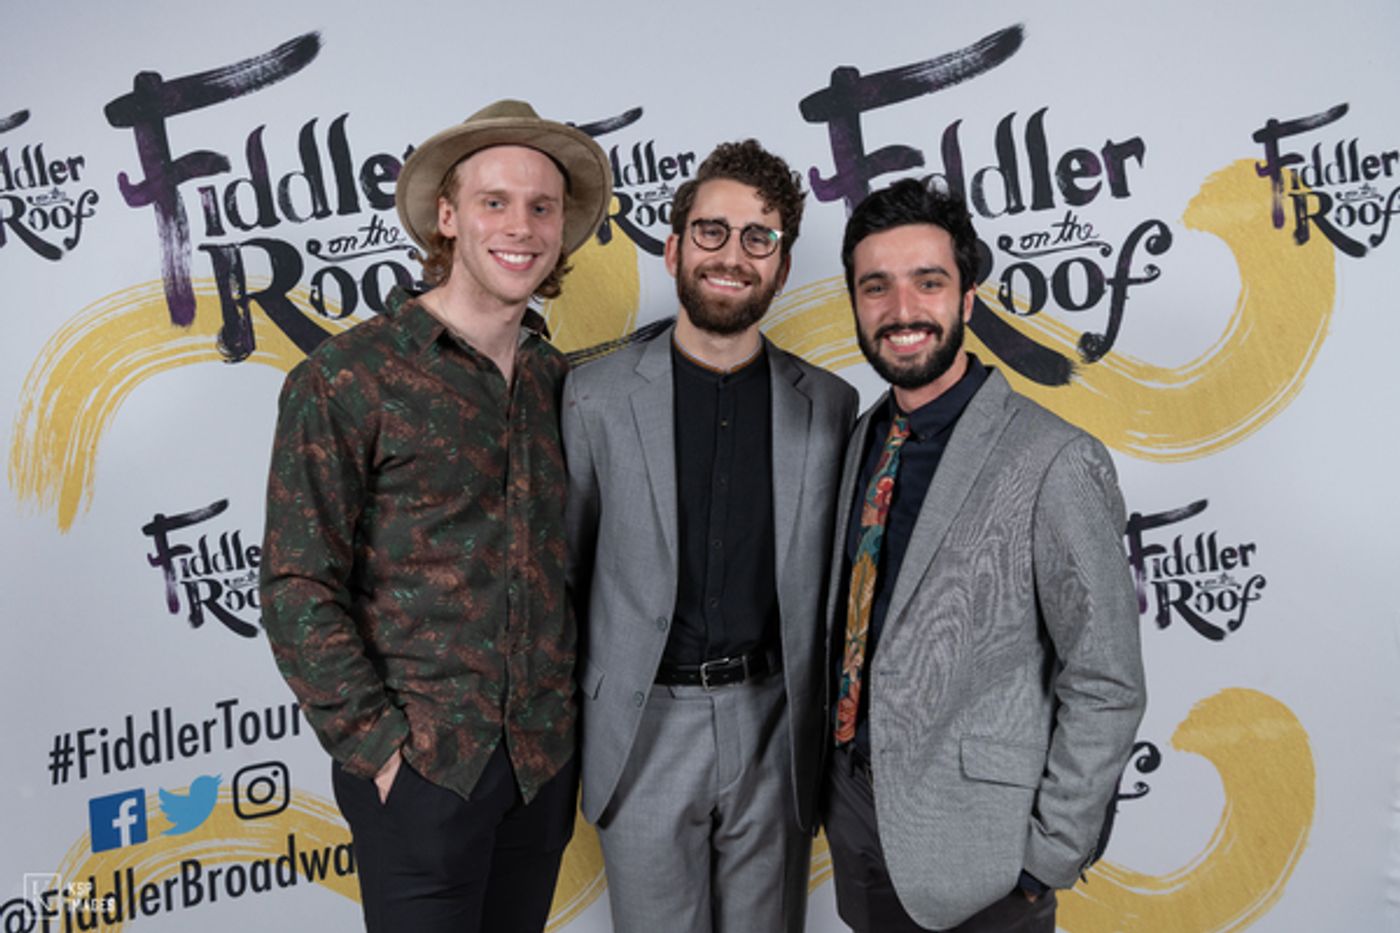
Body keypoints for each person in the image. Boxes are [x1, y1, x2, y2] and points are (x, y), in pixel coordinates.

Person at [259, 99, 611, 933]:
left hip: (539, 768)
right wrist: (381, 752)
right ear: (447, 218)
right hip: (421, 774)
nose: (519, 226)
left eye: (541, 206)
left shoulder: (560, 383)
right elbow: (295, 584)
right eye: (495, 201)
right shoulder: (350, 377)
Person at [822, 178, 1147, 932]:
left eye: (927, 282)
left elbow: (1106, 679)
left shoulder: (1055, 458)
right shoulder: (855, 442)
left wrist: (1046, 857)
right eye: (877, 287)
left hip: (986, 858)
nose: (902, 310)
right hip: (856, 823)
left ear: (968, 298)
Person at [562, 139, 858, 933]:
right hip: (644, 725)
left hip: (776, 728)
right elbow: (564, 571)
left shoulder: (829, 407)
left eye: (758, 237)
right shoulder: (593, 397)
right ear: (673, 247)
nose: (733, 254)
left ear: (783, 268)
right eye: (712, 231)